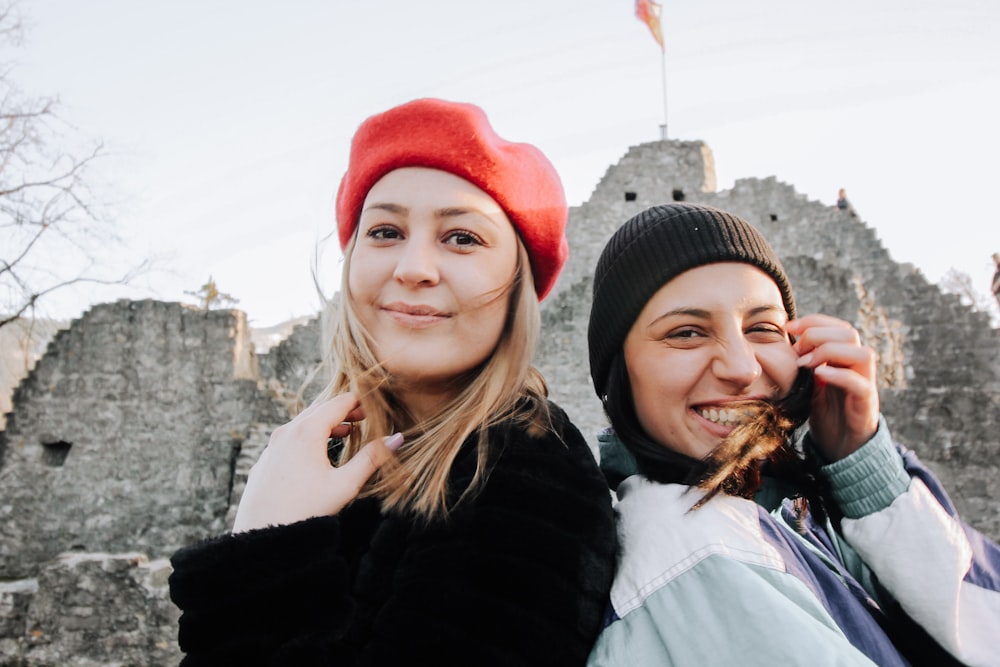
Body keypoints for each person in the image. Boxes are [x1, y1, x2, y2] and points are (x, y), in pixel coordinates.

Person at [168, 98, 617, 665]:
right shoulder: (334, 456)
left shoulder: (528, 471)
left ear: (516, 287)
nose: (413, 268)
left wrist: (268, 544)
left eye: (462, 238)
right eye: (384, 230)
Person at [585, 203, 1000, 666]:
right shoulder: (696, 547)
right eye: (685, 332)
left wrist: (863, 469)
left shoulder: (791, 513)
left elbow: (978, 608)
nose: (742, 368)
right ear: (617, 375)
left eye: (763, 328)